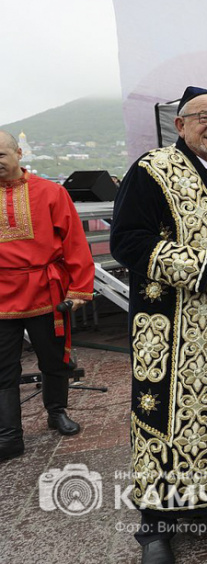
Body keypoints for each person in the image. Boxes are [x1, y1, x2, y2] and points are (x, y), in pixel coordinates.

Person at [110, 86, 207, 564]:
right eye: (203, 118)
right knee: (160, 417)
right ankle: (154, 526)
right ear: (180, 124)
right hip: (169, 324)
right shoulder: (152, 170)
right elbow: (127, 241)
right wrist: (201, 264)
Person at [0, 130, 94, 461]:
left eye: (1, 155)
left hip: (45, 288)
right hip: (0, 295)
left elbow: (74, 242)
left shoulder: (51, 192)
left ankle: (57, 412)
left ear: (19, 153)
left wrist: (80, 287)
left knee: (54, 360)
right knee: (2, 367)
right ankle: (9, 434)